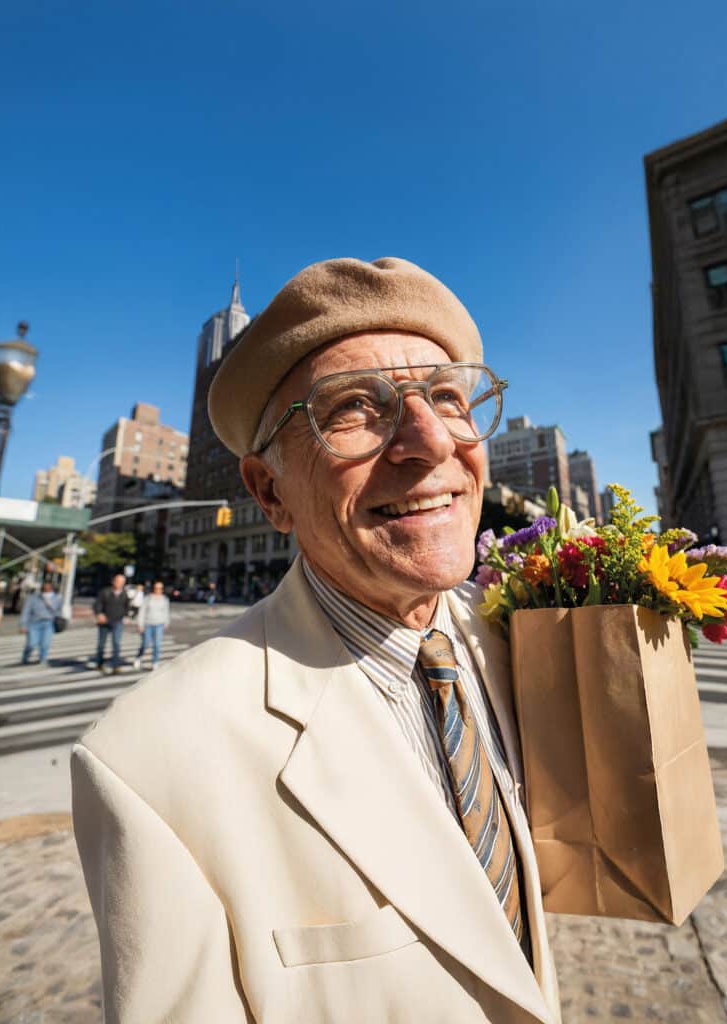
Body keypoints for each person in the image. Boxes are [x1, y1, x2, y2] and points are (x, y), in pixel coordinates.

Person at [72, 258, 562, 1024]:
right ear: (269, 492)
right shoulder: (146, 761)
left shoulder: (520, 641)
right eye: (356, 409)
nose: (429, 442)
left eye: (446, 397)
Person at [93, 573, 130, 675]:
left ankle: (116, 665)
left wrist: (126, 616)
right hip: (104, 621)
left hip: (117, 622)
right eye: (118, 581)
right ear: (113, 581)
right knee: (101, 644)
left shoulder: (125, 594)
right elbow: (97, 604)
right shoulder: (105, 592)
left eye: (122, 582)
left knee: (116, 644)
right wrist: (99, 614)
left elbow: (127, 606)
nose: (119, 584)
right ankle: (99, 663)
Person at [19, 581, 61, 665]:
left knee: (45, 644)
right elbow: (26, 611)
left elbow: (58, 612)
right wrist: (23, 624)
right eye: (45, 586)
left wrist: (50, 603)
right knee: (31, 644)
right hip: (34, 623)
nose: (47, 587)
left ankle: (43, 659)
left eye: (49, 586)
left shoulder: (57, 598)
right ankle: (25, 657)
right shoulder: (33, 597)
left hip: (48, 623)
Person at [133, 580, 170, 670]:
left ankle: (155, 662)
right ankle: (138, 657)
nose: (158, 590)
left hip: (159, 624)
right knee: (145, 643)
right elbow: (142, 611)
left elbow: (166, 612)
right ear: (153, 588)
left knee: (157, 645)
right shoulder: (148, 598)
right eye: (156, 588)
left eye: (160, 588)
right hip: (148, 624)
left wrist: (167, 622)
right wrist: (140, 624)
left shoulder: (165, 599)